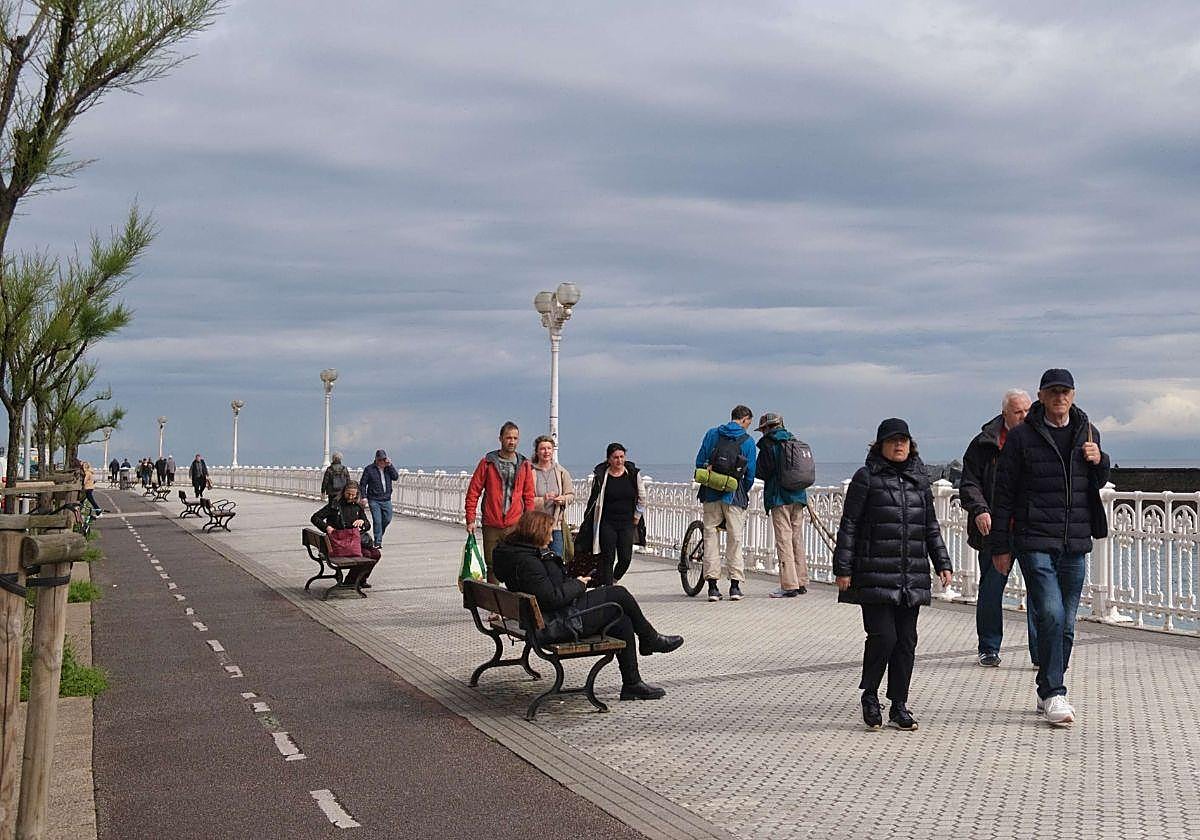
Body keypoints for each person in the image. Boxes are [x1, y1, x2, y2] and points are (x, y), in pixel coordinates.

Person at [990, 369, 1110, 727]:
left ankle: (1046, 690)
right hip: (1034, 539)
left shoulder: (1087, 432)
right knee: (1052, 614)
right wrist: (1000, 545)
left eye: (1065, 391)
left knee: (1068, 623)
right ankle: (1057, 691)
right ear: (1041, 396)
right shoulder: (1022, 437)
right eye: (1053, 392)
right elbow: (1004, 493)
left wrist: (1099, 460)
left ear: (1073, 395)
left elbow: (1098, 481)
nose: (1060, 397)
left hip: (1075, 540)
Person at [833, 418, 953, 732]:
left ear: (911, 445)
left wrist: (942, 562)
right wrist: (843, 569)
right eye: (892, 441)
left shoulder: (919, 481)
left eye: (904, 440)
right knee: (883, 637)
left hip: (910, 575)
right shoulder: (866, 478)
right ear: (880, 445)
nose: (899, 446)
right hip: (873, 573)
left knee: (906, 642)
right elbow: (849, 525)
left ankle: (899, 704)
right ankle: (870, 695)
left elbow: (930, 527)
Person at [491, 511, 683, 701]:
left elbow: (547, 591)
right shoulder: (528, 562)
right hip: (555, 623)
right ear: (536, 533)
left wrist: (563, 573)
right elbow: (551, 599)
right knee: (618, 593)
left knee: (621, 618)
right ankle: (650, 639)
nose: (550, 539)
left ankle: (632, 683)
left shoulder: (519, 553)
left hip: (545, 618)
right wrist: (579, 584)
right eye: (549, 533)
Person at [960, 388, 1037, 668]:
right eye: (1018, 412)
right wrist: (979, 509)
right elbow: (969, 482)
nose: (1025, 416)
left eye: (1028, 410)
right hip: (995, 530)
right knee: (992, 589)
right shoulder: (984, 442)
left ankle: (1041, 652)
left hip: (1031, 529)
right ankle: (989, 648)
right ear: (1005, 413)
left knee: (1039, 590)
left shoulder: (1039, 437)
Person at [694, 405, 757, 602]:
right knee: (735, 539)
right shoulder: (748, 441)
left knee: (710, 536)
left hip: (711, 493)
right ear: (745, 419)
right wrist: (739, 489)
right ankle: (735, 586)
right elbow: (750, 475)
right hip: (733, 495)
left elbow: (699, 461)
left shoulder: (712, 434)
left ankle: (712, 587)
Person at [465, 421, 535, 582]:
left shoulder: (524, 464)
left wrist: (528, 522)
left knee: (514, 564)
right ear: (500, 439)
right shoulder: (487, 462)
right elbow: (473, 492)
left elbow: (528, 495)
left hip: (514, 524)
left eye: (515, 438)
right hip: (492, 523)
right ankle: (493, 605)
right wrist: (470, 519)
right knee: (492, 565)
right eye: (508, 437)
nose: (512, 441)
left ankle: (511, 603)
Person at [754, 412, 810, 598]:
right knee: (797, 540)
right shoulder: (794, 440)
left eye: (763, 429)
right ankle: (801, 581)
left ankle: (788, 585)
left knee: (784, 541)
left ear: (768, 428)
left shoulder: (769, 444)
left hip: (779, 497)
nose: (762, 433)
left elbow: (762, 471)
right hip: (798, 497)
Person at [580, 443, 647, 586]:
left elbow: (642, 496)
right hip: (607, 522)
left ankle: (615, 578)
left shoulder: (633, 474)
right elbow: (594, 499)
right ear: (609, 459)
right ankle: (608, 588)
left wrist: (637, 515)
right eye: (615, 457)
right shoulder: (601, 476)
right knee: (608, 558)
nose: (619, 460)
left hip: (627, 522)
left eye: (622, 457)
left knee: (625, 558)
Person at [310, 480, 379, 588]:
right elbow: (315, 518)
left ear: (357, 494)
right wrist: (327, 527)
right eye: (348, 494)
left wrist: (363, 522)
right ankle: (351, 581)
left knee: (376, 554)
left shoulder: (357, 506)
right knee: (367, 555)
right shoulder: (334, 505)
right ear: (344, 492)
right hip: (339, 543)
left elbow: (368, 525)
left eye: (353, 495)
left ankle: (360, 579)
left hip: (354, 542)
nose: (350, 497)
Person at [530, 435, 574, 558]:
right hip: (536, 525)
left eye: (549, 448)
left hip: (556, 525)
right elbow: (526, 499)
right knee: (537, 559)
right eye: (543, 448)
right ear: (537, 451)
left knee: (556, 559)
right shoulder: (530, 472)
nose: (546, 452)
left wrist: (563, 499)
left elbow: (570, 495)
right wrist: (543, 499)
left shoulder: (561, 472)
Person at [359, 449, 400, 549]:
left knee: (387, 519)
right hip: (374, 499)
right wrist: (364, 497)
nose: (382, 462)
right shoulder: (369, 469)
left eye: (384, 459)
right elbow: (363, 484)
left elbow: (395, 477)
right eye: (381, 460)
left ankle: (379, 535)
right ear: (376, 460)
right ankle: (378, 542)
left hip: (386, 499)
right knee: (377, 521)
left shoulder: (387, 468)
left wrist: (390, 465)